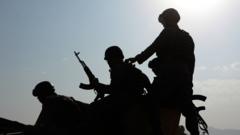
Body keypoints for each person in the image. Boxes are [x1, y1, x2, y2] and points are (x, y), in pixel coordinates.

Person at [126, 8, 199, 135]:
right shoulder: (187, 37)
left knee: (150, 103)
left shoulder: (167, 32)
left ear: (168, 19)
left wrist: (137, 59)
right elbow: (191, 62)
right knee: (189, 110)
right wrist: (189, 83)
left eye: (164, 20)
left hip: (167, 78)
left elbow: (153, 48)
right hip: (184, 79)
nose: (162, 23)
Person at [89, 46, 151, 135]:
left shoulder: (120, 69)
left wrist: (99, 86)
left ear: (115, 58)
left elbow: (115, 90)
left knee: (93, 109)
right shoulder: (127, 68)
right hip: (127, 100)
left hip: (126, 102)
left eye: (109, 60)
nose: (108, 63)